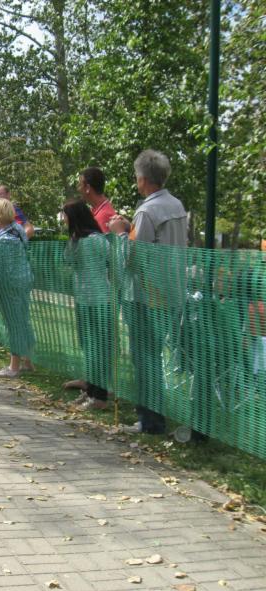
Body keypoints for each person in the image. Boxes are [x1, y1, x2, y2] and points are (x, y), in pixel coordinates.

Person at [113, 150, 188, 434]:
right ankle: (152, 417)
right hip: (170, 292)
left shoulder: (147, 211)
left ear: (143, 179)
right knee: (154, 356)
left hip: (145, 296)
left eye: (137, 176)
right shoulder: (176, 205)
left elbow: (134, 258)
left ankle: (150, 421)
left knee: (144, 358)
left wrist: (121, 233)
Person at [61, 201, 112, 410]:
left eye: (66, 217)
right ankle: (90, 390)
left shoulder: (93, 240)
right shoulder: (80, 240)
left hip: (97, 300)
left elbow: (109, 259)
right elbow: (68, 260)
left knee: (97, 348)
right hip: (86, 299)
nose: (64, 221)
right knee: (90, 347)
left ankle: (99, 396)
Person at [0, 198, 35, 377]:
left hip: (11, 285)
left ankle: (13, 367)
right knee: (23, 320)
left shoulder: (6, 239)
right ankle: (28, 361)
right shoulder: (17, 229)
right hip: (23, 281)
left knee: (13, 323)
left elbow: (3, 266)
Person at [78, 167, 117, 233]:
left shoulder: (103, 216)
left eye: (80, 185)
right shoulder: (97, 211)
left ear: (87, 188)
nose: (78, 189)